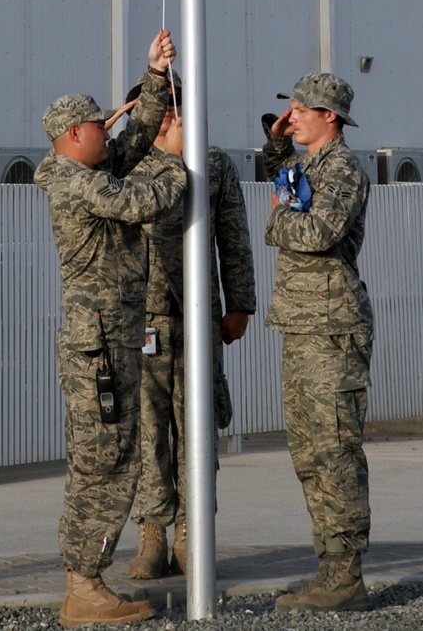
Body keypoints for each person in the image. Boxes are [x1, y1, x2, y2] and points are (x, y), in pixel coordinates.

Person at [33, 30, 187, 628]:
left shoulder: (84, 166)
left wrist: (153, 78)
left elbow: (137, 137)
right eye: (100, 125)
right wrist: (176, 163)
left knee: (111, 456)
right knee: (105, 461)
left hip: (108, 337)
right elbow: (142, 199)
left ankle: (86, 583)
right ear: (74, 135)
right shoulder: (74, 180)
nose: (111, 129)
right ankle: (85, 585)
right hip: (98, 345)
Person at [127, 75, 256, 580]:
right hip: (143, 317)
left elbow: (234, 237)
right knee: (147, 430)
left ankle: (191, 533)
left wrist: (239, 303)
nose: (165, 113)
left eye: (172, 104)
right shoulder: (128, 162)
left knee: (197, 427)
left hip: (198, 316)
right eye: (155, 105)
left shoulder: (214, 162)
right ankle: (152, 535)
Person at [261, 72, 374, 613]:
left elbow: (317, 232)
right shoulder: (307, 165)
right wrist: (279, 143)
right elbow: (278, 179)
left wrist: (276, 221)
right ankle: (328, 564)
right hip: (302, 326)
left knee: (336, 451)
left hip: (332, 328)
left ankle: (346, 572)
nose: (293, 115)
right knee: (308, 454)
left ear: (331, 116)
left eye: (302, 109)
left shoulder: (344, 169)